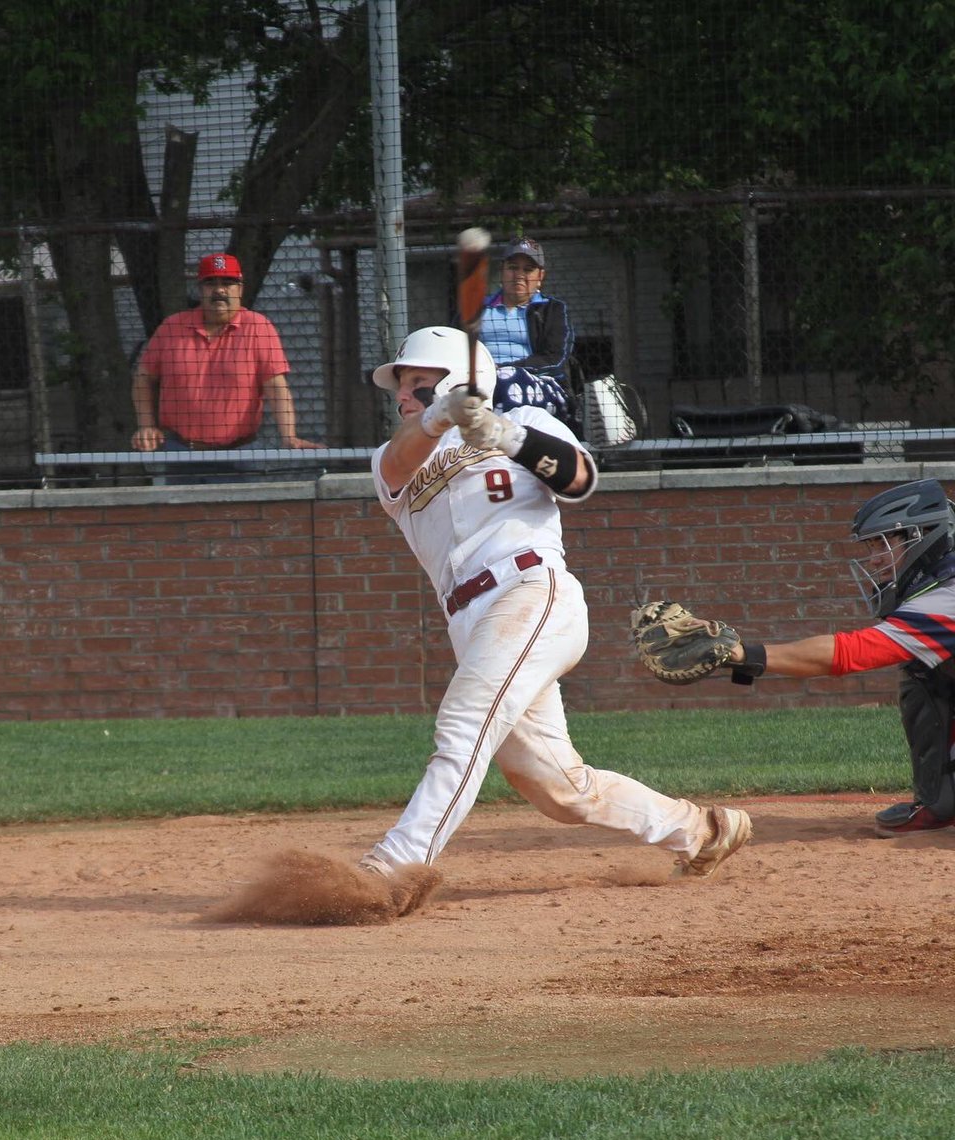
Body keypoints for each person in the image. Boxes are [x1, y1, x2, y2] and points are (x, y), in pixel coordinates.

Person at [357, 325, 752, 882]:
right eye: (400, 383)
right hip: (470, 622)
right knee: (560, 789)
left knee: (465, 725)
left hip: (530, 593)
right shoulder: (395, 456)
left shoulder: (529, 425)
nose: (400, 393)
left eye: (415, 380)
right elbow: (397, 465)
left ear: (459, 379)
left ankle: (394, 864)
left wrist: (504, 435)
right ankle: (700, 831)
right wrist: (436, 413)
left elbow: (581, 479)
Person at [726, 477, 955, 838]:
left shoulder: (948, 597)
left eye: (886, 542)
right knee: (925, 668)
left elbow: (851, 653)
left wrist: (744, 654)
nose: (875, 558)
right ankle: (941, 804)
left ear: (924, 535)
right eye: (871, 546)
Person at [130, 252, 323, 475]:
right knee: (180, 510)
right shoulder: (172, 328)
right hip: (180, 451)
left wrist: (289, 436)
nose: (219, 290)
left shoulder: (258, 328)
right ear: (200, 289)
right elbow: (143, 378)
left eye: (228, 283)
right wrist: (146, 426)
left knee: (245, 511)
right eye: (211, 283)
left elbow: (276, 387)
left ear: (240, 289)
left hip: (241, 452)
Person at [479, 236, 578, 429]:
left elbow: (555, 359)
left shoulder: (553, 310)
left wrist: (504, 370)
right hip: (480, 381)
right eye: (513, 267)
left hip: (538, 384)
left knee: (508, 382)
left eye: (528, 269)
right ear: (502, 270)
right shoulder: (476, 310)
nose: (519, 275)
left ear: (540, 276)